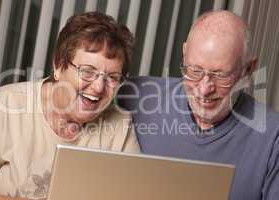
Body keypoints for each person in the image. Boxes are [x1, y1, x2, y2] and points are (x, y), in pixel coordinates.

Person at [117, 10, 279, 200]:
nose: (204, 89)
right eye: (194, 70)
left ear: (248, 70)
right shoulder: (136, 95)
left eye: (221, 76)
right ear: (184, 53)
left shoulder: (272, 138)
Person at [0, 12, 139, 200]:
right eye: (87, 72)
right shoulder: (5, 106)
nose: (98, 87)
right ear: (58, 65)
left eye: (112, 77)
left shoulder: (120, 126)